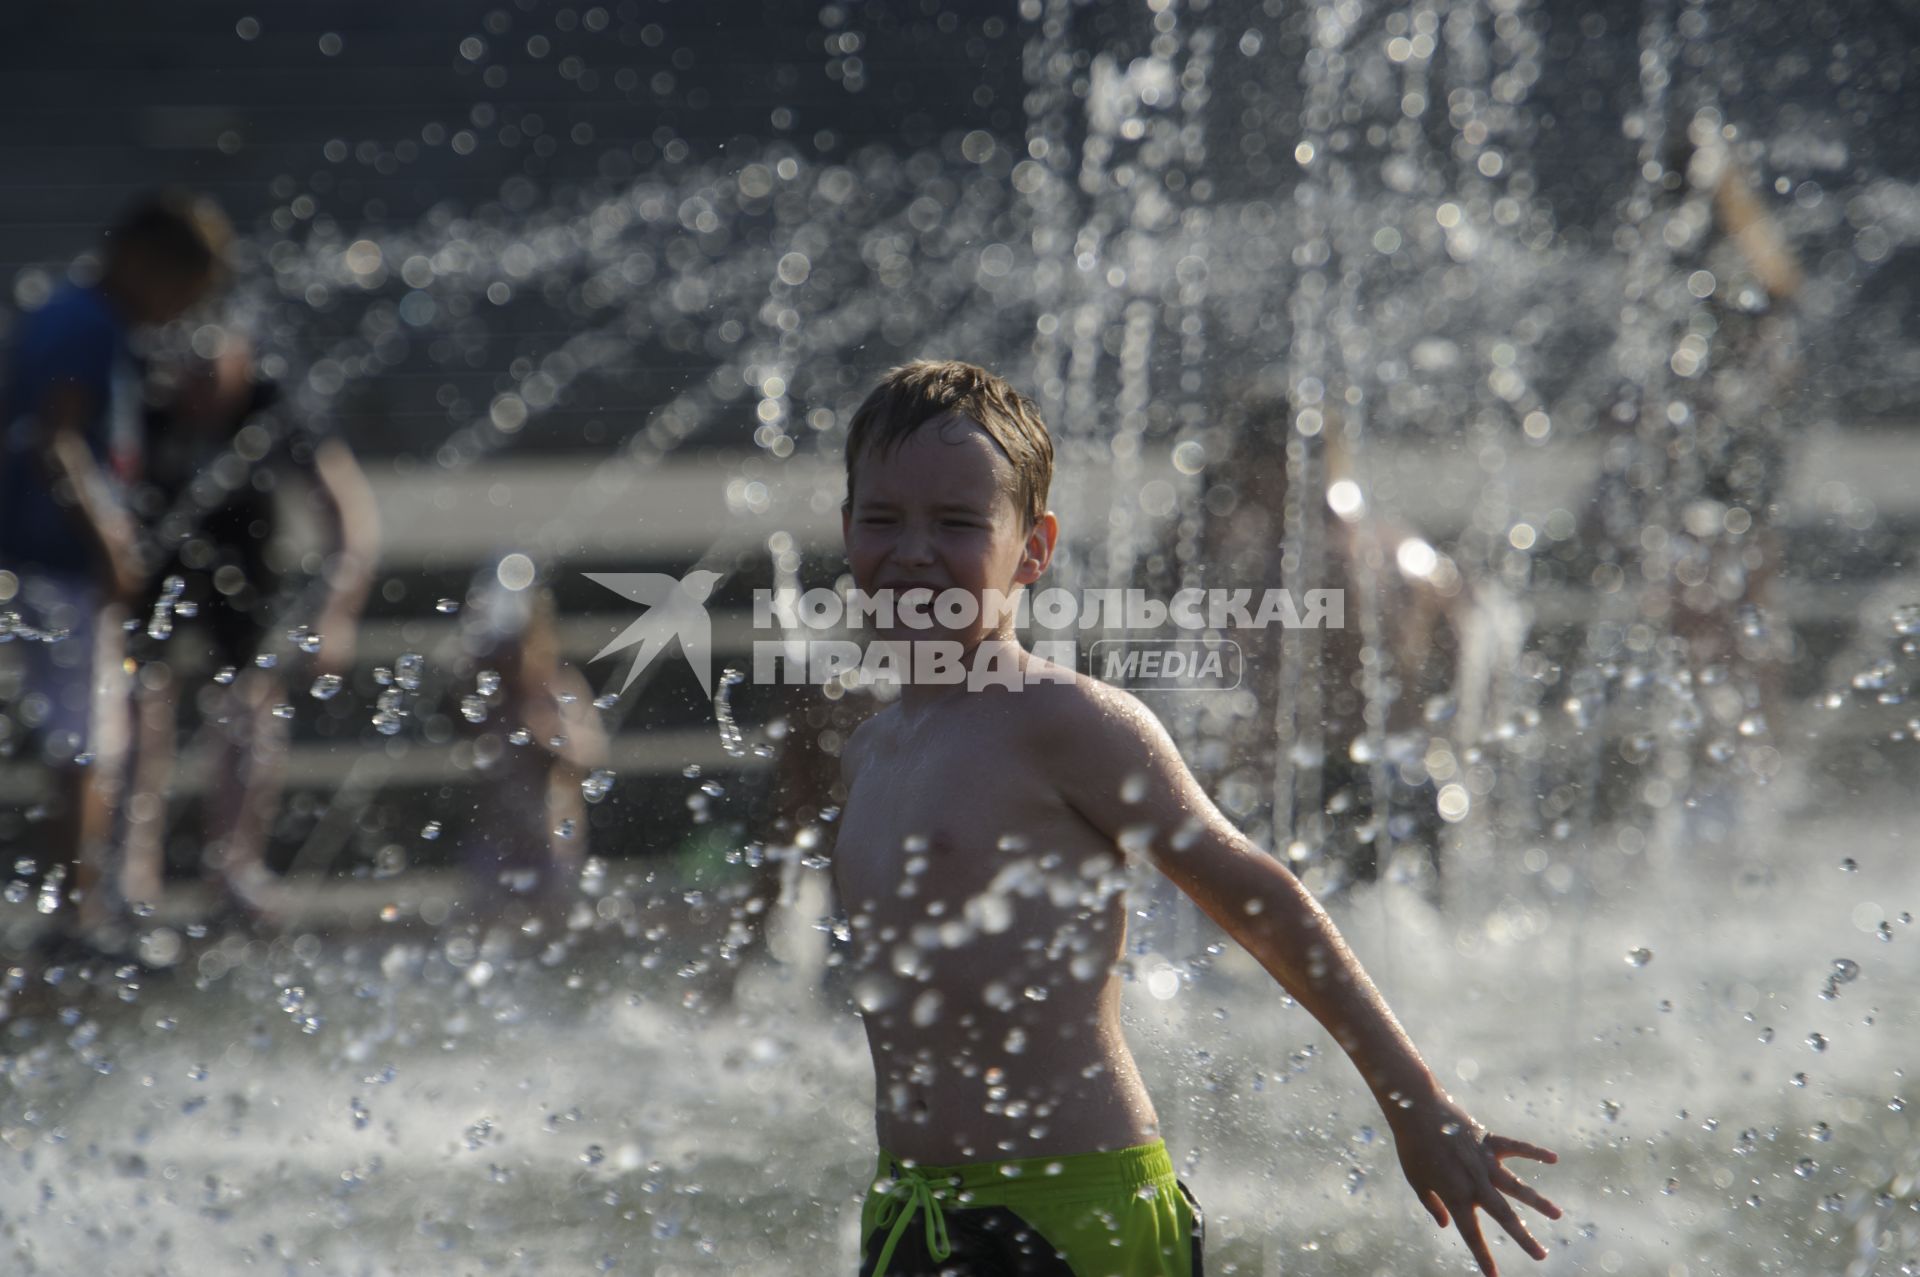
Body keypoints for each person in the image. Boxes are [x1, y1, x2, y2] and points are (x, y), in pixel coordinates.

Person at [831, 361, 1560, 1276]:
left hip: (1071, 1210)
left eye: (958, 524)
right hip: (911, 1209)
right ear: (846, 526)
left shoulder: (1066, 723)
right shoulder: (872, 748)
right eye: (883, 519)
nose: (913, 552)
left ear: (1033, 549)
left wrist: (1415, 1101)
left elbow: (1259, 894)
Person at [0, 190, 229, 950]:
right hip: (56, 560)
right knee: (85, 740)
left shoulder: (83, 316)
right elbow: (54, 439)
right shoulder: (86, 325)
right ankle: (78, 915)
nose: (177, 313)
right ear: (141, 263)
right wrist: (109, 541)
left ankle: (82, 907)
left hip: (50, 558)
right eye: (179, 294)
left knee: (91, 734)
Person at [118, 331, 378, 929]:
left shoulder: (270, 401)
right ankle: (129, 869)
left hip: (244, 547)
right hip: (153, 547)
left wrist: (335, 613)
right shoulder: (146, 394)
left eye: (213, 380)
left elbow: (349, 514)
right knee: (138, 694)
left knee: (250, 697)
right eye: (191, 380)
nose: (199, 397)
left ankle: (234, 866)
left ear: (241, 362)